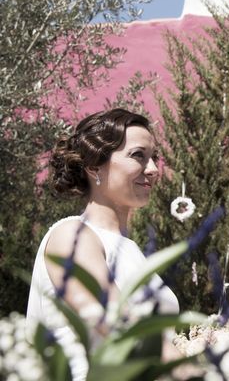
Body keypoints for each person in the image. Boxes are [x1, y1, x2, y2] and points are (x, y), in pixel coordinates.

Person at [27, 108, 181, 380]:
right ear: (94, 166)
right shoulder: (72, 235)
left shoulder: (132, 250)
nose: (153, 169)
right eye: (138, 156)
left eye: (154, 157)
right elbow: (116, 325)